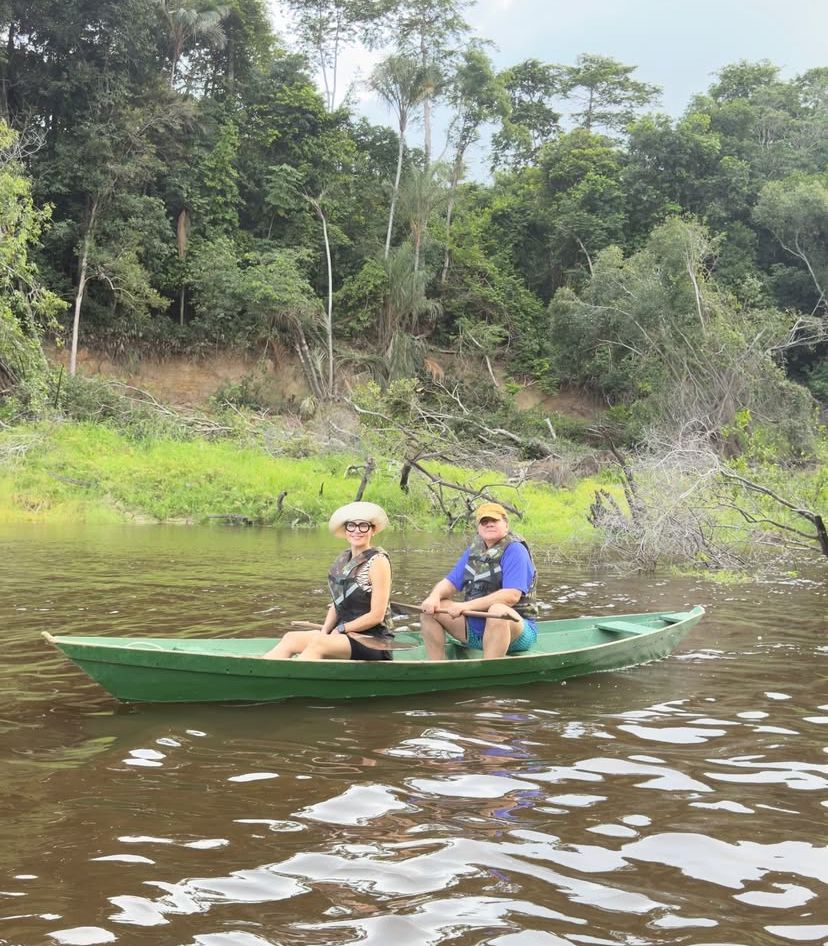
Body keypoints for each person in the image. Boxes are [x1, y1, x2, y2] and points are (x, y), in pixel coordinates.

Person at [262, 501, 393, 661]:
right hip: (344, 635)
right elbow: (337, 604)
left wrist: (342, 629)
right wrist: (325, 632)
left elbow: (376, 616)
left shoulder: (378, 561)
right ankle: (261, 672)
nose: (357, 531)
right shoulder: (344, 560)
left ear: (372, 530)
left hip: (373, 642)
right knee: (291, 638)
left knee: (319, 645)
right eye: (351, 526)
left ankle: (291, 679)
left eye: (363, 526)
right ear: (346, 530)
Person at [419, 502, 538, 660]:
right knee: (431, 609)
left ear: (506, 525)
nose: (489, 524)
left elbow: (511, 596)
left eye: (494, 520)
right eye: (484, 521)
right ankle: (436, 667)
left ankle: (488, 671)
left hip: (515, 632)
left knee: (498, 610)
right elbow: (449, 583)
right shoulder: (474, 551)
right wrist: (433, 597)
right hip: (474, 631)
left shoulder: (516, 550)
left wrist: (464, 606)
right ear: (478, 528)